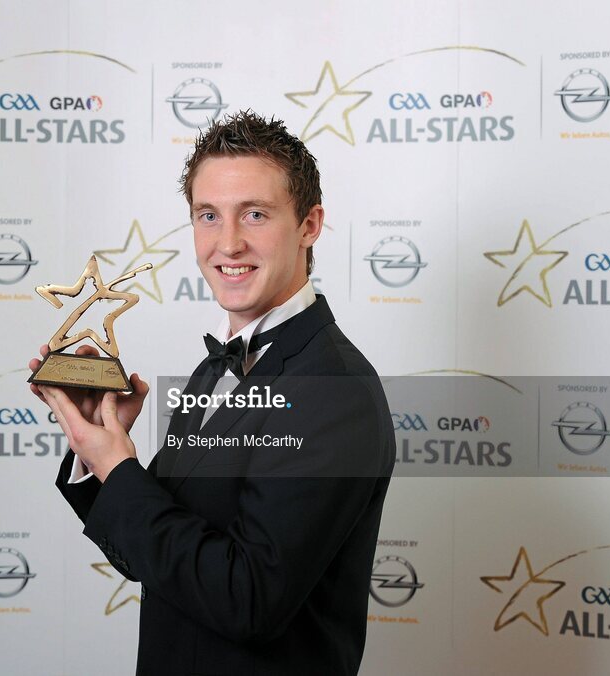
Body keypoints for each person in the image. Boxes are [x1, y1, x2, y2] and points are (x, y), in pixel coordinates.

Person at [29, 111, 394, 675]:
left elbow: (246, 600)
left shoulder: (332, 388)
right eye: (208, 215)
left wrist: (122, 472)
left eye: (255, 214)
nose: (228, 243)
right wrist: (99, 445)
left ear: (309, 224)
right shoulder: (213, 371)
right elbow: (167, 558)